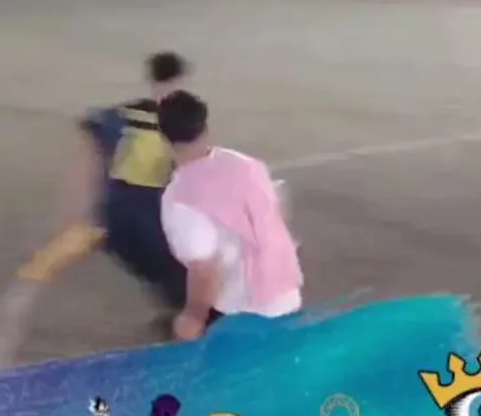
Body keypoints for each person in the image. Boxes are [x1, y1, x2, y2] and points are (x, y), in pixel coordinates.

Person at [156, 91, 303, 341]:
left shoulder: (181, 198)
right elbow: (277, 210)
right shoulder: (247, 165)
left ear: (163, 137)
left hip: (242, 312)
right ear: (205, 127)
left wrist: (193, 317)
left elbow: (205, 270)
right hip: (287, 294)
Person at [54, 53, 189, 310]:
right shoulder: (183, 121)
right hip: (154, 207)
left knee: (141, 257)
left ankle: (177, 305)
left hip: (117, 206)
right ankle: (185, 309)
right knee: (175, 263)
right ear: (181, 79)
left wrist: (75, 210)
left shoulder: (122, 114)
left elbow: (90, 142)